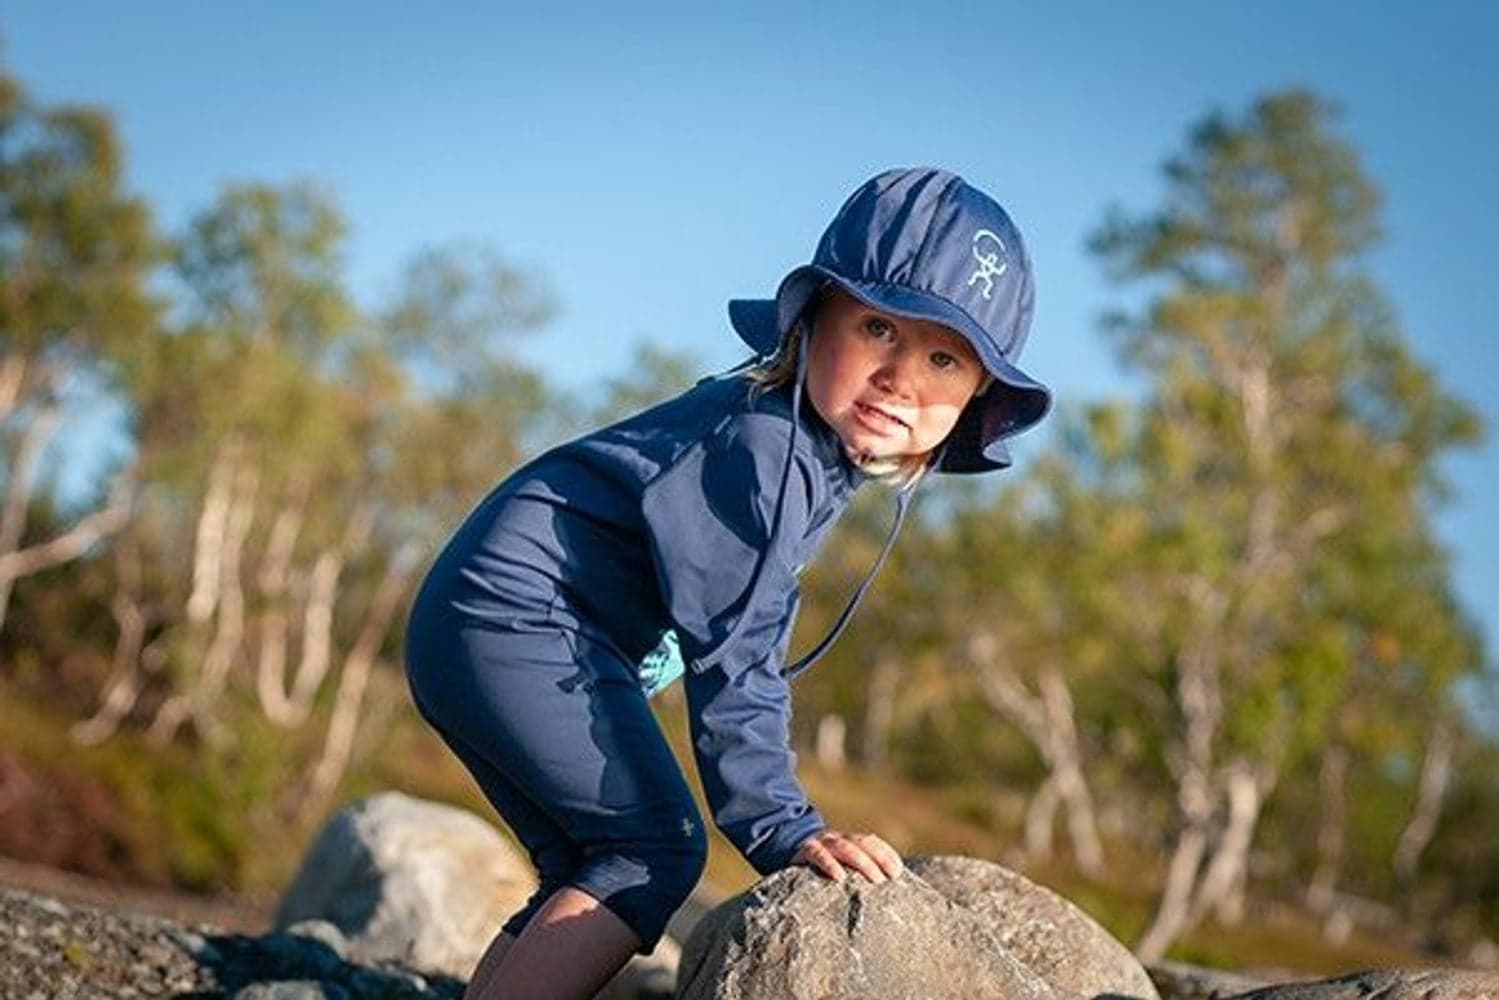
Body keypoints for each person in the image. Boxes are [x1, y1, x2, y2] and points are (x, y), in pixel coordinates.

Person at [402, 166, 1052, 999]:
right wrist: (783, 827)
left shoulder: (796, 453)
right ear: (811, 321)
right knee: (653, 850)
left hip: (491, 619)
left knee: (593, 856)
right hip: (515, 617)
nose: (903, 378)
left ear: (975, 400)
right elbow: (736, 656)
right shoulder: (762, 449)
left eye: (944, 359)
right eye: (879, 329)